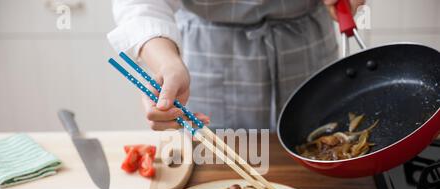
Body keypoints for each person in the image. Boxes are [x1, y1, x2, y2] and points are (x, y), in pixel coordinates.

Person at [108, 0, 365, 131]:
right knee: (215, 173)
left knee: (323, 148)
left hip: (307, 48)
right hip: (210, 55)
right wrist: (166, 62)